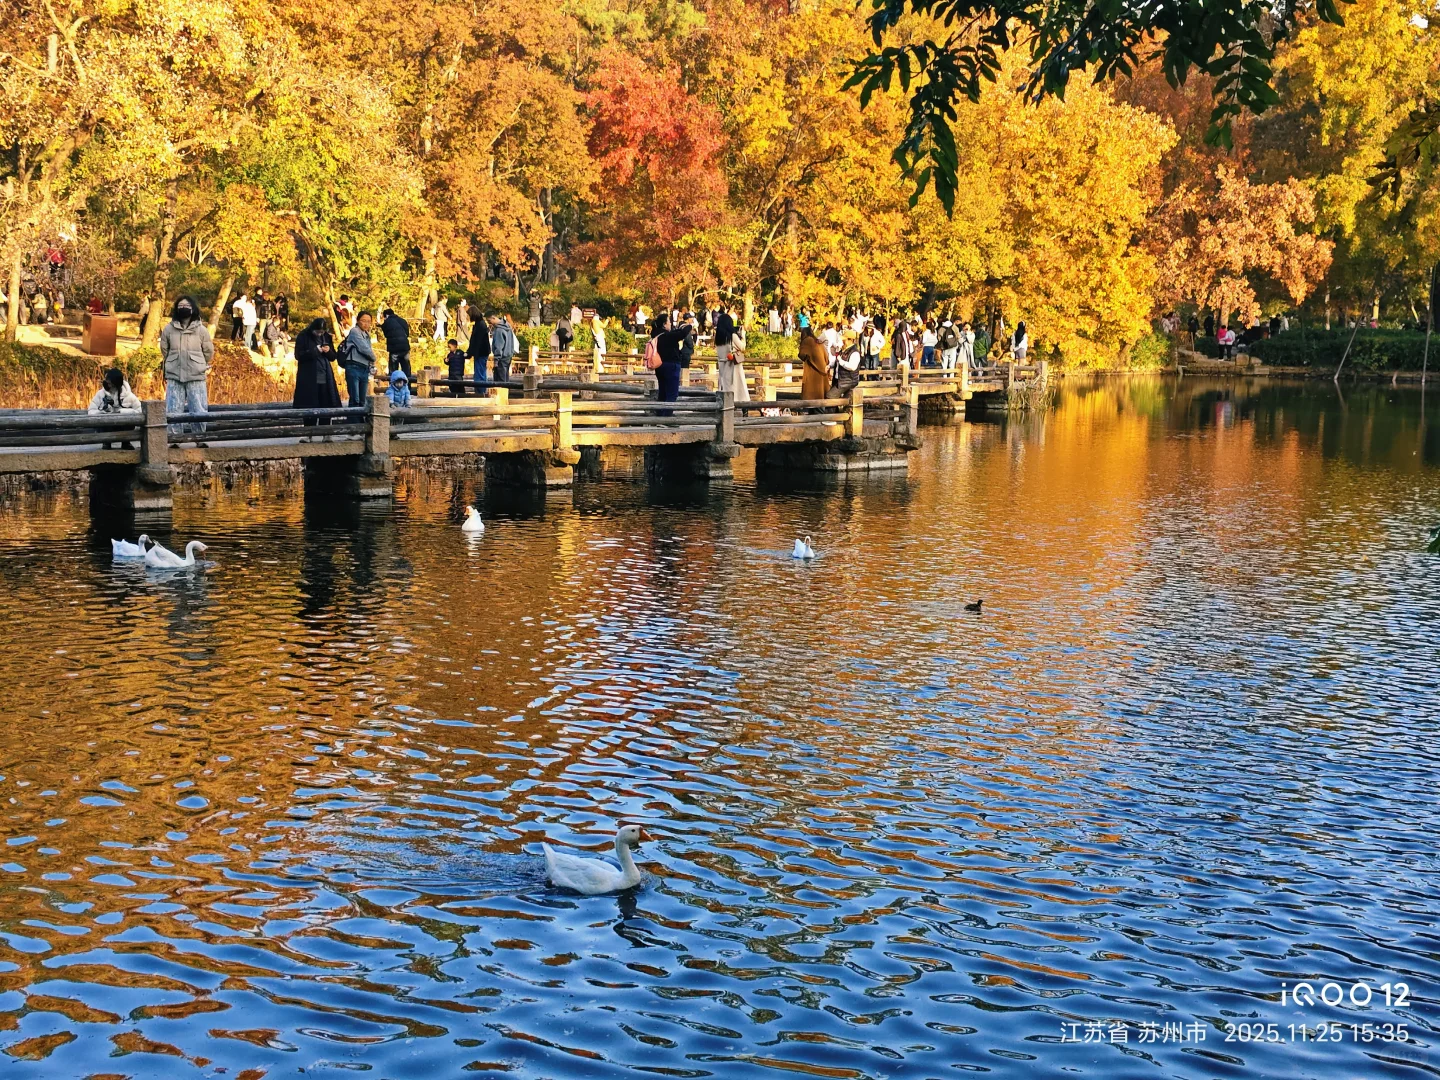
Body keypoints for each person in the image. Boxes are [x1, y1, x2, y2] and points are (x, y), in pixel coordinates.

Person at [158, 296, 213, 434]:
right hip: (174, 375)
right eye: (180, 306)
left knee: (198, 408)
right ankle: (175, 438)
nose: (183, 308)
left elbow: (208, 352)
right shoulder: (168, 329)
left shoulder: (202, 330)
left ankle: (199, 437)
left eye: (187, 306)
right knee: (173, 408)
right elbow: (164, 350)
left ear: (193, 308)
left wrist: (198, 364)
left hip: (196, 375)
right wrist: (173, 361)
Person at [293, 318, 343, 421]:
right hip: (309, 374)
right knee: (310, 401)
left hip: (323, 373)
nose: (319, 334)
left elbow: (333, 357)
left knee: (324, 400)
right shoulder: (303, 336)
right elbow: (298, 355)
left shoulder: (326, 337)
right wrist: (315, 350)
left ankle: (324, 428)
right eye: (317, 332)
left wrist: (328, 351)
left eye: (322, 332)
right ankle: (310, 428)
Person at [339, 311, 377, 406]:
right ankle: (353, 416)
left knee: (362, 400)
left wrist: (372, 365)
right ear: (358, 320)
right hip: (353, 366)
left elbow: (368, 349)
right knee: (355, 399)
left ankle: (361, 415)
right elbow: (364, 349)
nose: (366, 324)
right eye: (363, 321)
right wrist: (374, 358)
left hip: (364, 368)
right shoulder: (355, 331)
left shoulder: (367, 335)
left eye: (368, 321)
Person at [652, 315, 691, 403]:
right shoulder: (668, 336)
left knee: (663, 393)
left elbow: (676, 333)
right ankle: (667, 411)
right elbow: (683, 333)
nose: (670, 324)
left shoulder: (656, 334)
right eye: (669, 322)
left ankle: (660, 410)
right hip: (671, 365)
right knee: (672, 394)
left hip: (659, 365)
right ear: (664, 324)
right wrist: (688, 325)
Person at [798, 326, 829, 400]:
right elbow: (826, 355)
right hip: (823, 370)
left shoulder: (806, 341)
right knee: (820, 392)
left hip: (812, 370)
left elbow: (802, 355)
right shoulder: (817, 341)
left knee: (811, 394)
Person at [714, 302, 738, 395]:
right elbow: (742, 346)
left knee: (722, 384)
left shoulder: (718, 338)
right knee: (729, 387)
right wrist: (743, 336)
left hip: (721, 363)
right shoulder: (732, 336)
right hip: (730, 364)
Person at [381, 308, 411, 376]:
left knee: (393, 370)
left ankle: (394, 381)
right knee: (406, 368)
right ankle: (408, 381)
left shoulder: (387, 322)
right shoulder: (402, 320)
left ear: (386, 315)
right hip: (405, 347)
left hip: (394, 348)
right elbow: (407, 333)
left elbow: (386, 335)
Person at [467, 309, 491, 389]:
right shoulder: (479, 324)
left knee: (479, 374)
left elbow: (477, 341)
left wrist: (471, 352)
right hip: (481, 352)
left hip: (481, 353)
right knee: (480, 373)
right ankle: (480, 390)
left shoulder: (480, 325)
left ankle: (480, 391)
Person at [490, 314, 517, 383]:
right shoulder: (508, 327)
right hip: (508, 355)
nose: (490, 323)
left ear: (494, 318)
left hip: (501, 358)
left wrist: (496, 360)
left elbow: (498, 346)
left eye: (490, 320)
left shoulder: (499, 330)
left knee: (500, 381)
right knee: (505, 378)